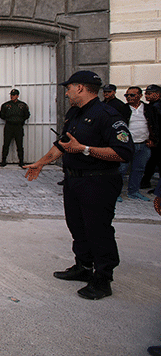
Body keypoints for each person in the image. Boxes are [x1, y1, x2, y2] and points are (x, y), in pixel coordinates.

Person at [25, 70, 133, 300]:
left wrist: (85, 149)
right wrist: (41, 163)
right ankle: (83, 267)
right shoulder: (74, 113)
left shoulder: (108, 115)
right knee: (77, 226)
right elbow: (64, 144)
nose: (67, 92)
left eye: (69, 88)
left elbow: (123, 153)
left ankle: (103, 279)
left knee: (98, 230)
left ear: (81, 88)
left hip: (99, 182)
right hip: (74, 180)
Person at [119, 86, 152, 201]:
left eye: (132, 95)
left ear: (140, 96)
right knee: (121, 169)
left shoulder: (148, 109)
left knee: (138, 169)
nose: (129, 97)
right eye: (127, 95)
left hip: (143, 144)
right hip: (128, 145)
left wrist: (153, 139)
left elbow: (155, 125)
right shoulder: (122, 109)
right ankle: (116, 193)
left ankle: (133, 191)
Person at [0, 89, 30, 167]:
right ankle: (3, 161)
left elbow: (27, 115)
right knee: (6, 144)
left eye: (14, 95)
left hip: (18, 127)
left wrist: (20, 120)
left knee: (19, 145)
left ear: (17, 96)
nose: (12, 96)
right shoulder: (6, 105)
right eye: (11, 95)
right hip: (9, 126)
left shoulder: (22, 105)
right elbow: (1, 115)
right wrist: (9, 119)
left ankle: (21, 161)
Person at [140, 84, 161, 191]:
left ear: (157, 94)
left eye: (149, 94)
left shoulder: (156, 107)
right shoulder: (153, 106)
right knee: (152, 161)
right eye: (145, 93)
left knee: (154, 161)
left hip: (157, 141)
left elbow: (155, 126)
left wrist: (154, 140)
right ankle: (146, 181)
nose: (146, 96)